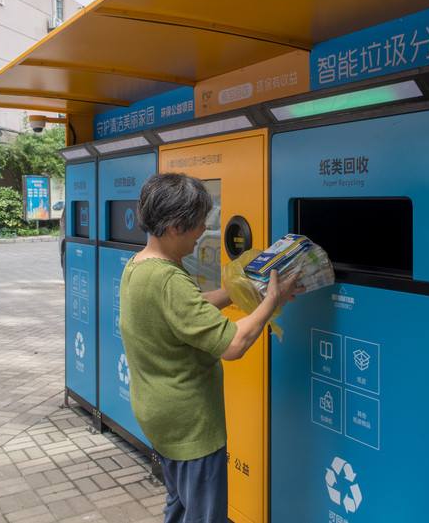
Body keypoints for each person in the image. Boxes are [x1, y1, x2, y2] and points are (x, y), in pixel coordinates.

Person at [119, 173, 301, 523]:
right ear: (175, 226)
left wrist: (239, 292)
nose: (204, 229)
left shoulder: (140, 266)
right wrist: (273, 299)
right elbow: (234, 343)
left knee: (180, 503)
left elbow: (189, 308)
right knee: (204, 514)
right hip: (191, 426)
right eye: (199, 222)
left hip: (159, 413)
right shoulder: (169, 279)